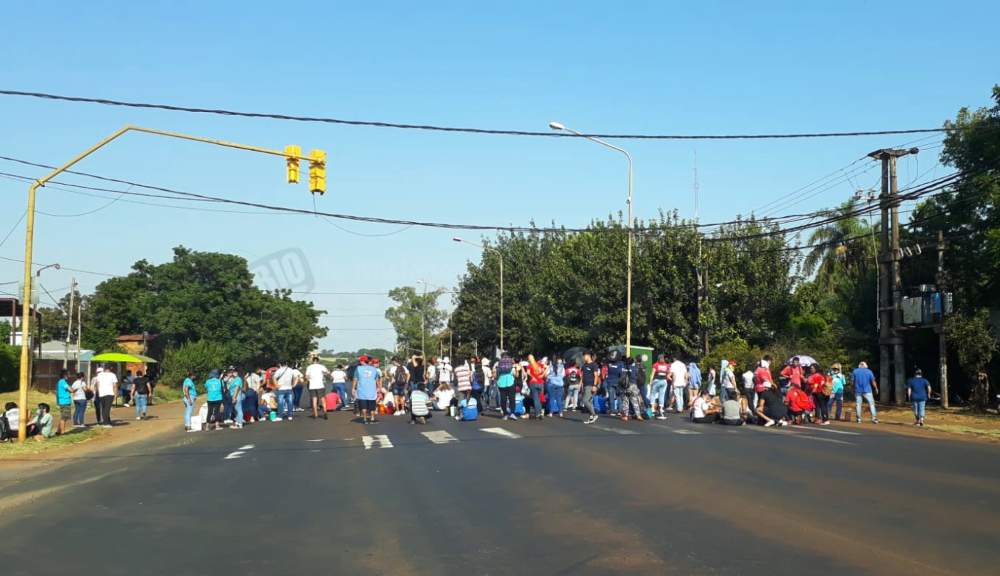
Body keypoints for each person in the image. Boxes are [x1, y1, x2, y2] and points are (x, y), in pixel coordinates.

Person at [352, 356, 381, 424]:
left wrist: (353, 388)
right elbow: (377, 379)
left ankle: (365, 419)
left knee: (363, 406)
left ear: (363, 361)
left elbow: (355, 378)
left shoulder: (358, 369)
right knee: (372, 405)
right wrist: (378, 387)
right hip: (371, 390)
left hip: (362, 390)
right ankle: (372, 418)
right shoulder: (374, 369)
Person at [581, 350, 601, 424]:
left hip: (591, 385)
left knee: (585, 400)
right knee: (589, 401)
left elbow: (596, 375)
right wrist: (580, 385)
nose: (583, 357)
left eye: (584, 356)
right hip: (585, 385)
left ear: (588, 356)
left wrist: (595, 385)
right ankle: (591, 418)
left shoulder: (594, 365)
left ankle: (594, 414)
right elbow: (582, 376)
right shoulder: (584, 365)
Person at [496, 353, 517, 420]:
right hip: (510, 383)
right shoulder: (512, 368)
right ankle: (512, 413)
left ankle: (505, 414)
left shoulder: (498, 368)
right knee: (512, 399)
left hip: (501, 384)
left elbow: (497, 376)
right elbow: (515, 375)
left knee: (503, 400)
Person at [525, 355, 547, 420]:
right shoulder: (539, 364)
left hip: (533, 383)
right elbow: (547, 367)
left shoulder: (529, 366)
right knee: (538, 399)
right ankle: (540, 413)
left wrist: (532, 377)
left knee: (536, 399)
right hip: (540, 383)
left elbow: (528, 373)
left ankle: (538, 413)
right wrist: (542, 374)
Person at [650, 354, 670, 419]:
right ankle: (661, 408)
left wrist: (650, 382)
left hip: (656, 380)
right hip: (664, 381)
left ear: (658, 359)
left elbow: (652, 373)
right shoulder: (666, 365)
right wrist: (667, 376)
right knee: (662, 395)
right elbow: (669, 373)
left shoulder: (655, 365)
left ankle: (652, 408)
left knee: (653, 394)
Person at [605, 352, 624, 416]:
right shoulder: (620, 364)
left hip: (610, 381)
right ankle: (620, 410)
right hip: (618, 381)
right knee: (619, 396)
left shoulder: (609, 363)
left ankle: (612, 410)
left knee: (611, 396)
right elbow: (621, 373)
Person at [56, 369, 72, 436]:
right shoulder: (63, 382)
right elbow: (70, 389)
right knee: (64, 417)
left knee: (63, 416)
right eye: (68, 374)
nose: (69, 376)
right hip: (65, 401)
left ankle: (58, 431)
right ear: (65, 375)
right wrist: (74, 390)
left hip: (63, 401)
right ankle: (62, 432)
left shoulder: (61, 382)